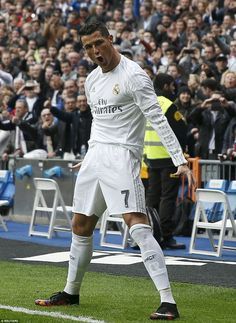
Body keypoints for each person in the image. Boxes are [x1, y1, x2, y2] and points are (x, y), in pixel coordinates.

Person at [35, 21, 195, 321]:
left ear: (111, 39)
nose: (96, 51)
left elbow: (158, 119)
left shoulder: (135, 76)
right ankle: (71, 292)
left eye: (99, 43)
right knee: (80, 225)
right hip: (96, 155)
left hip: (122, 157)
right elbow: (98, 122)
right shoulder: (92, 80)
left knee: (137, 224)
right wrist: (91, 154)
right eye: (88, 47)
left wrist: (180, 160)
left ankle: (168, 301)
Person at [145, 73, 187, 250]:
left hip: (150, 158)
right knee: (167, 198)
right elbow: (180, 131)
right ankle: (166, 236)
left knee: (152, 197)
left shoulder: (147, 103)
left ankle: (149, 235)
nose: (174, 89)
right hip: (168, 158)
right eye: (172, 85)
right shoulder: (168, 105)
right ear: (165, 86)